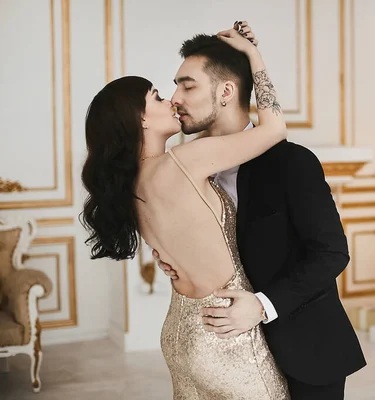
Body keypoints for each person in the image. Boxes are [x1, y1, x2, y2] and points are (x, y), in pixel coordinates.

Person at [155, 21, 367, 400]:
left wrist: (261, 306)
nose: (175, 97)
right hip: (223, 359)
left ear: (225, 92)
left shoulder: (292, 162)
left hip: (306, 351)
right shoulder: (183, 168)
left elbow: (332, 252)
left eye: (187, 85)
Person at [80, 24, 290, 399]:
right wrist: (254, 57)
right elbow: (273, 129)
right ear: (141, 119)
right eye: (158, 97)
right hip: (225, 332)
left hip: (179, 332)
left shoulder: (131, 187)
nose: (172, 101)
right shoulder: (184, 161)